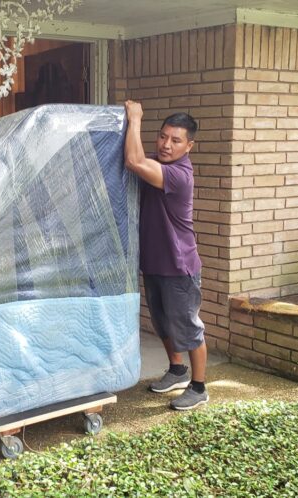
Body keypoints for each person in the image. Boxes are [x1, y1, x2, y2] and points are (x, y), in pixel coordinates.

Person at [123, 101, 209, 411]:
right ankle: (177, 371)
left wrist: (135, 118)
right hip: (156, 264)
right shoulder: (160, 168)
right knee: (162, 323)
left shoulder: (179, 175)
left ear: (190, 146)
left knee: (187, 327)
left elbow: (133, 159)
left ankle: (199, 388)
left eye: (175, 140)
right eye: (162, 137)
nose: (166, 144)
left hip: (178, 266)